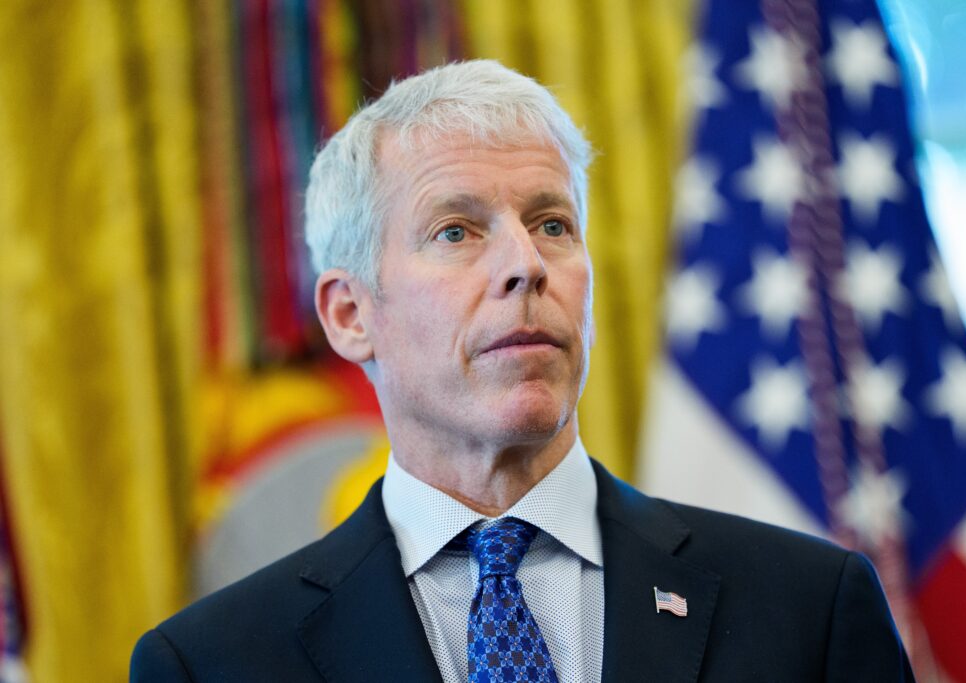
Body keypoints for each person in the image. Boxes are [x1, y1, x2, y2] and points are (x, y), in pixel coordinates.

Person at [130, 60, 915, 682]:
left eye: (552, 223)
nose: (526, 263)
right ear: (349, 314)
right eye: (456, 230)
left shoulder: (807, 607)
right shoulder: (212, 663)